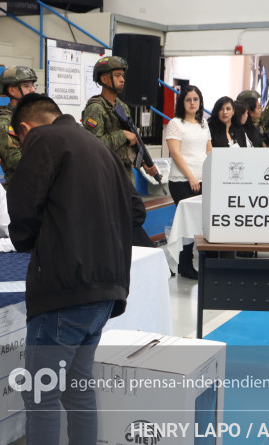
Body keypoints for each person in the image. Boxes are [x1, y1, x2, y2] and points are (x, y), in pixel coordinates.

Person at [0, 93, 139, 445]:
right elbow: (135, 211)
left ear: (25, 130)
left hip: (64, 289)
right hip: (105, 289)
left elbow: (23, 210)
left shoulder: (43, 141)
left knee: (41, 394)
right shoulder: (102, 148)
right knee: (77, 388)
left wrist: (37, 241)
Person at [81, 56, 158, 181]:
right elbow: (92, 145)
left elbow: (132, 140)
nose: (122, 80)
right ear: (104, 79)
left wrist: (144, 162)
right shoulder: (95, 108)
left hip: (124, 172)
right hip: (105, 173)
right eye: (117, 75)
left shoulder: (122, 106)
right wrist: (122, 135)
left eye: (122, 75)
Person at [165, 85, 211, 279]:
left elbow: (209, 151)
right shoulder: (176, 123)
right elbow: (175, 153)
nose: (192, 103)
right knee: (188, 222)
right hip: (182, 180)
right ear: (182, 102)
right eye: (188, 99)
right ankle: (184, 264)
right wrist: (191, 176)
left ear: (200, 102)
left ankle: (192, 262)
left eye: (195, 99)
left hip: (203, 179)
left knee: (200, 222)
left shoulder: (203, 124)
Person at [0, 65, 37, 186]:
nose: (33, 90)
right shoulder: (3, 123)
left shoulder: (32, 115)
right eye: (27, 86)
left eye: (33, 85)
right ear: (11, 90)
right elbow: (15, 161)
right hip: (20, 188)